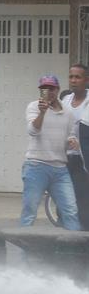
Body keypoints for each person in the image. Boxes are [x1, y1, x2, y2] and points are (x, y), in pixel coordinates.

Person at [20, 75, 81, 230]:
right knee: (29, 212)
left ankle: (72, 250)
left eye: (52, 88)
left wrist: (72, 140)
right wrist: (42, 113)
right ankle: (24, 252)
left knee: (71, 210)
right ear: (40, 91)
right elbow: (33, 131)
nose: (49, 92)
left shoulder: (68, 112)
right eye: (44, 89)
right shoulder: (34, 107)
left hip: (60, 168)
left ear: (57, 89)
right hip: (36, 165)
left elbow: (71, 135)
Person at [62, 64, 89, 230]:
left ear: (86, 80)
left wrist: (81, 145)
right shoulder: (65, 100)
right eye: (71, 76)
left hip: (83, 159)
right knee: (63, 200)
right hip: (65, 158)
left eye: (78, 77)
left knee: (82, 199)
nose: (73, 80)